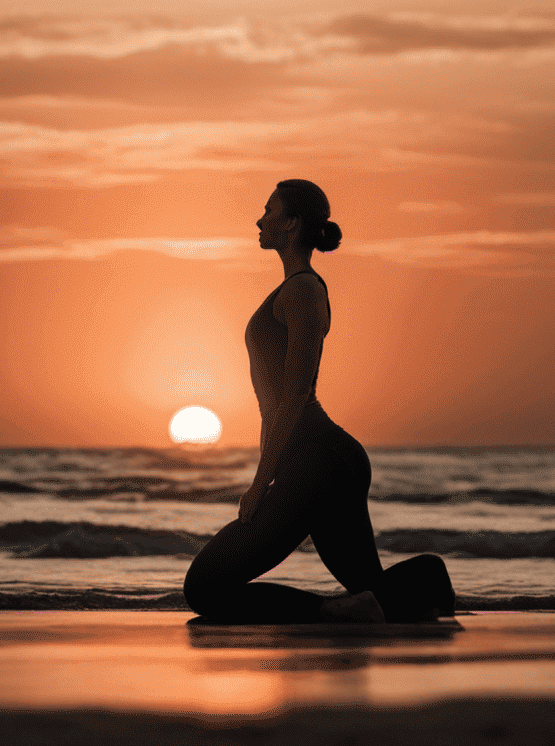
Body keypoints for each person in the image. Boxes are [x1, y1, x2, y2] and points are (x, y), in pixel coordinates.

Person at [184, 179, 456, 624]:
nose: (259, 219)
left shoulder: (303, 291)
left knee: (205, 587)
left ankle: (336, 613)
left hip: (320, 461)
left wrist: (259, 482)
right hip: (319, 460)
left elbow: (296, 395)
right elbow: (274, 407)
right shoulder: (294, 290)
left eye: (269, 210)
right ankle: (429, 585)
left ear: (291, 224)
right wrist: (272, 467)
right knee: (373, 587)